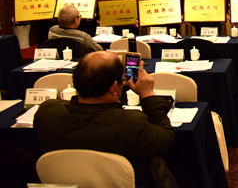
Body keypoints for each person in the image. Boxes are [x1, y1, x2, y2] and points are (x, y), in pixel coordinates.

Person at [34, 51, 177, 187]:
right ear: (113, 87)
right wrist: (148, 95)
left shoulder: (46, 113)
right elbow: (166, 138)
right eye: (121, 80)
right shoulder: (131, 125)